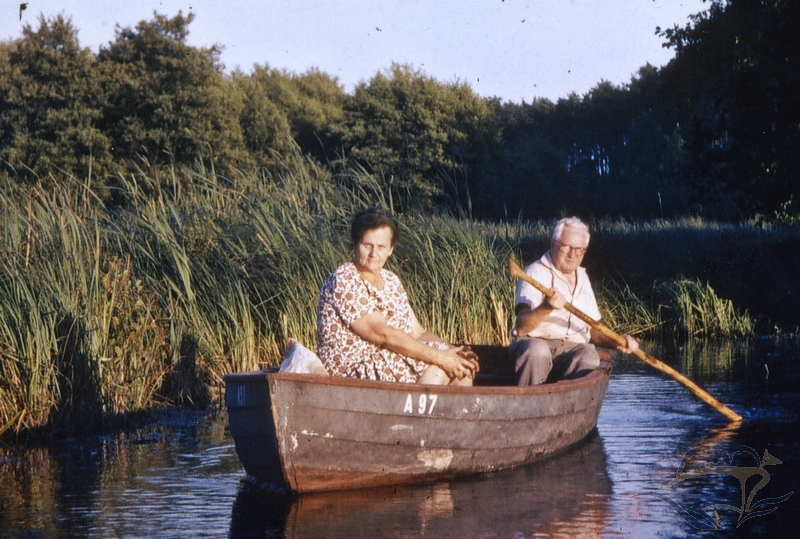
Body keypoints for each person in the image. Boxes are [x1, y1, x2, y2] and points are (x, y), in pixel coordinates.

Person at [317, 208, 479, 385]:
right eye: (367, 245)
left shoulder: (391, 280)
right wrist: (441, 358)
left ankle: (455, 412)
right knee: (438, 367)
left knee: (462, 369)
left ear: (390, 249)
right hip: (353, 371)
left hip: (389, 357)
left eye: (381, 247)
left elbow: (418, 332)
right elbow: (382, 335)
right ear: (355, 244)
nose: (374, 254)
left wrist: (453, 352)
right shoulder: (344, 279)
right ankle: (416, 413)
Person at [510, 216, 638, 385]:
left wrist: (619, 342)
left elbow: (592, 330)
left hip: (571, 348)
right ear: (553, 243)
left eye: (579, 249)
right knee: (538, 351)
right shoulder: (534, 272)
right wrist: (546, 307)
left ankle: (569, 405)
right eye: (567, 247)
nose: (573, 254)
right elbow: (521, 327)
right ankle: (531, 404)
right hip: (534, 344)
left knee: (588, 355)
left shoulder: (583, 277)